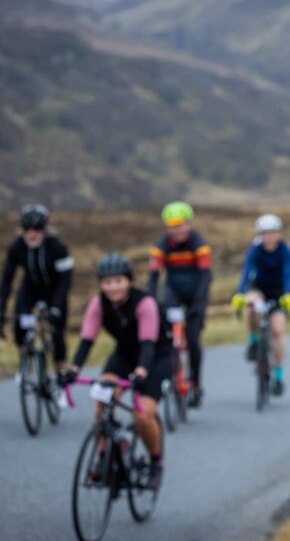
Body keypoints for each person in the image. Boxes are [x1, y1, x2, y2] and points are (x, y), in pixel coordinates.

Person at [61, 254, 171, 492]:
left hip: (156, 358)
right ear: (101, 284)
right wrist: (73, 369)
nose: (113, 287)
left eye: (119, 281)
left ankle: (155, 462)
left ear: (129, 281)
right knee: (102, 397)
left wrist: (141, 372)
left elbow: (149, 344)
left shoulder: (144, 303)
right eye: (107, 282)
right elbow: (86, 340)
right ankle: (105, 454)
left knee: (142, 415)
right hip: (123, 356)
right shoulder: (98, 303)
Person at [1, 204, 73, 396]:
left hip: (55, 290)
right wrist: (1, 310)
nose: (32, 234)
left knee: (57, 333)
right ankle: (28, 363)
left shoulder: (58, 246)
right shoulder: (16, 247)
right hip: (31, 289)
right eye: (27, 230)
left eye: (37, 230)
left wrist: (57, 308)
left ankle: (61, 377)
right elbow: (7, 280)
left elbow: (66, 280)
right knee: (19, 325)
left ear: (44, 229)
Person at [148, 201, 211, 408]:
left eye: (181, 224)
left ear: (189, 224)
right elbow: (153, 277)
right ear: (167, 227)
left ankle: (196, 383)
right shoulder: (161, 246)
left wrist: (198, 305)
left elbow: (205, 276)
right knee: (166, 335)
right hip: (173, 292)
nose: (177, 230)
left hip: (195, 293)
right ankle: (171, 373)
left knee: (193, 340)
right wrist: (151, 302)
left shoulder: (199, 244)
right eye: (172, 225)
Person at [231, 215, 290, 395]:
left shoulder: (285, 251)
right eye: (265, 233)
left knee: (278, 331)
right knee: (251, 304)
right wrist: (240, 293)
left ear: (279, 233)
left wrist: (288, 294)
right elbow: (246, 272)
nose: (269, 237)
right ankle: (253, 340)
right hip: (258, 289)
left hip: (278, 292)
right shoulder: (255, 250)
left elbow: (288, 274)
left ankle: (279, 375)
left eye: (272, 233)